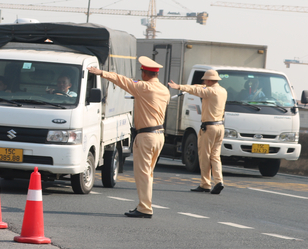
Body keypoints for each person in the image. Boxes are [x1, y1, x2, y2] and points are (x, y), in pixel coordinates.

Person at [88, 57, 170, 218]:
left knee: (143, 174)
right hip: (159, 135)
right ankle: (145, 205)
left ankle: (145, 208)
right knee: (149, 173)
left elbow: (122, 80)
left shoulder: (144, 87)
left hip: (146, 136)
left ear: (145, 73)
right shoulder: (164, 90)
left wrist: (102, 73)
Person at [169, 69, 227, 195]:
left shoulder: (209, 91)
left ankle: (205, 183)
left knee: (204, 156)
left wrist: (178, 86)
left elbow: (197, 90)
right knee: (215, 156)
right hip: (220, 127)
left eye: (206, 80)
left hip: (209, 127)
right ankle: (218, 181)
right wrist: (198, 86)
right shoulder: (223, 90)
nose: (204, 81)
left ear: (210, 80)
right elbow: (201, 87)